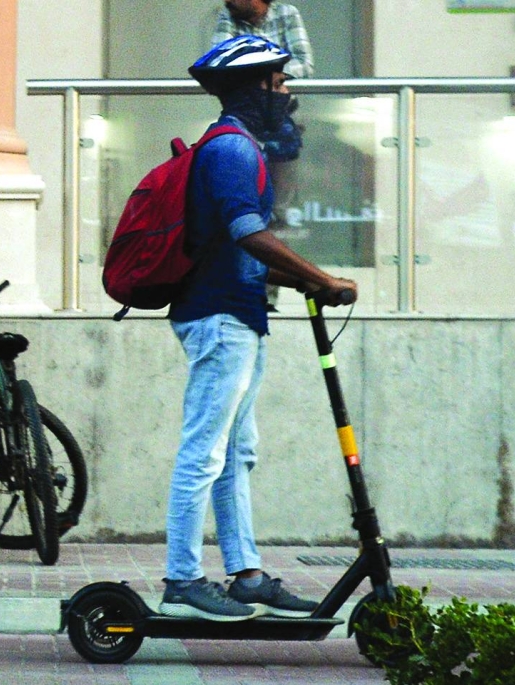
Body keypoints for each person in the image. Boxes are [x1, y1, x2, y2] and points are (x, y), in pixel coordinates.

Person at [158, 35, 358, 623]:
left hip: (238, 312)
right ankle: (181, 578)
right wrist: (318, 273)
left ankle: (245, 574)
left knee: (237, 452)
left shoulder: (238, 147)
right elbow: (248, 232)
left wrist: (309, 282)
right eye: (279, 82)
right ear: (255, 89)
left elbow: (241, 248)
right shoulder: (232, 151)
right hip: (219, 319)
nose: (288, 93)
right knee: (205, 450)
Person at [210, 0, 314, 307]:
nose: (228, 1)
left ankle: (267, 293)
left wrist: (264, 75)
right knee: (242, 209)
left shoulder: (287, 13)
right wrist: (270, 73)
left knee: (277, 211)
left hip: (281, 120)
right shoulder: (227, 15)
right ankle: (244, 285)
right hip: (247, 116)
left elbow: (306, 64)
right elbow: (220, 64)